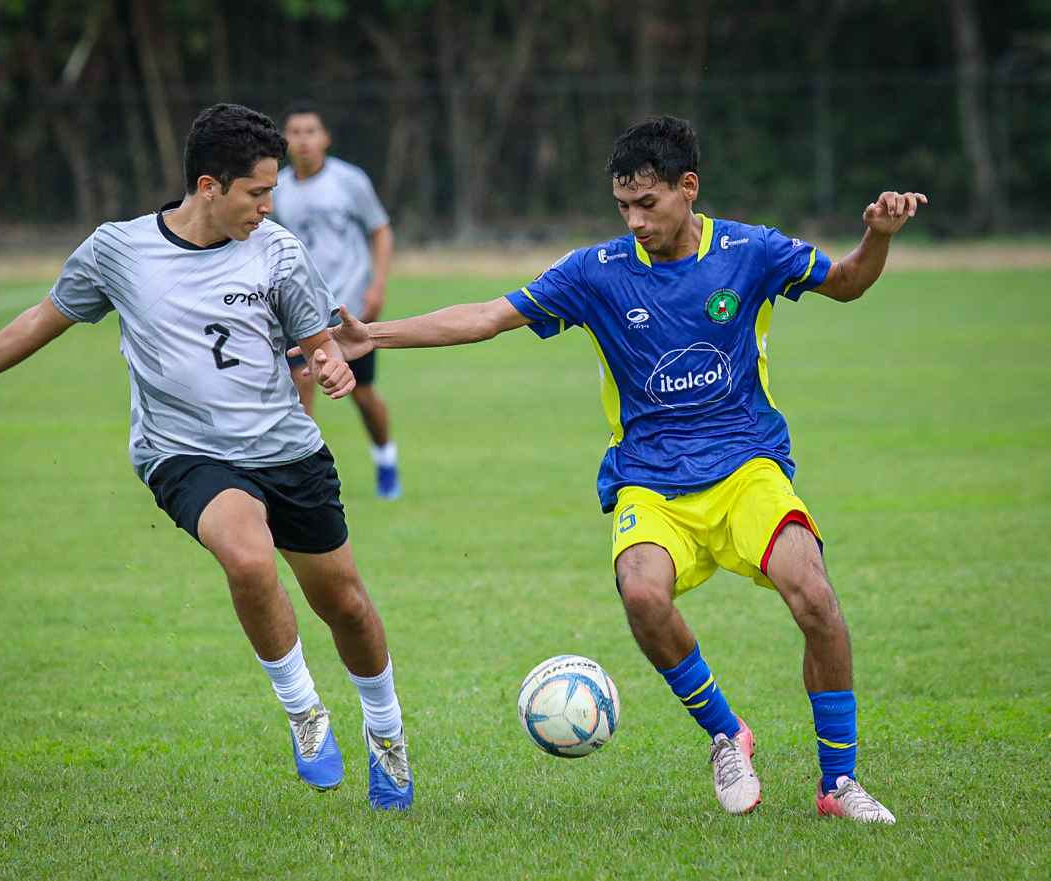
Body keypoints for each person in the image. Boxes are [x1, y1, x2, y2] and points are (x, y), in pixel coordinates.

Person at [321, 116, 927, 823]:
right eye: (623, 207)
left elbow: (849, 283)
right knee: (643, 595)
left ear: (688, 188)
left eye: (649, 204)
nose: (634, 220)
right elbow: (488, 315)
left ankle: (839, 783)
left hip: (747, 467)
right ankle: (727, 735)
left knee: (815, 597)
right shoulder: (596, 273)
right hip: (650, 479)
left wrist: (878, 235)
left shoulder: (749, 251)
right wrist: (373, 334)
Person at [0, 103, 413, 811]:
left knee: (347, 604)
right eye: (256, 192)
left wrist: (332, 367)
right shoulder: (119, 251)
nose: (269, 206)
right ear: (209, 186)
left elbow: (318, 344)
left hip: (286, 448)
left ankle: (388, 735)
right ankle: (306, 713)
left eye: (273, 191)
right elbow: (46, 316)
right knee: (247, 558)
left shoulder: (277, 249)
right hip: (182, 452)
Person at [271, 101, 402, 500]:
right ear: (285, 141)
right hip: (298, 310)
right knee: (301, 385)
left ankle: (385, 458)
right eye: (294, 132)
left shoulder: (349, 181)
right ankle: (300, 476)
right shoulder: (276, 187)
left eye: (311, 131)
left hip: (346, 310)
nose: (303, 140)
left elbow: (380, 230)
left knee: (361, 395)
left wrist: (377, 284)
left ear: (324, 137)